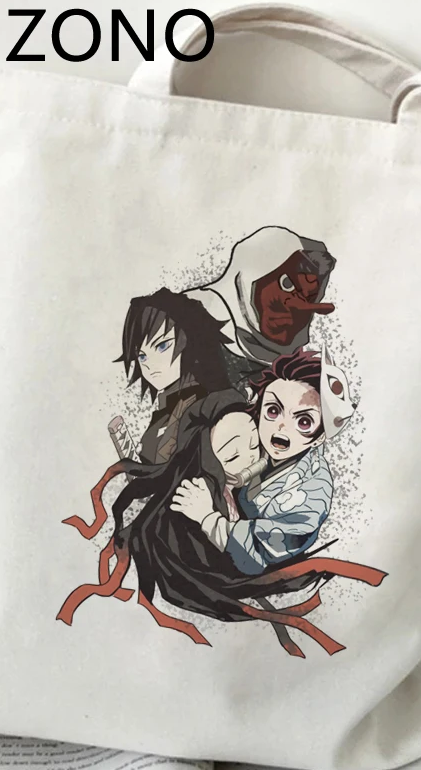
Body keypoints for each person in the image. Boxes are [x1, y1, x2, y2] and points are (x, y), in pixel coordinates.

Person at [57, 389, 385, 657]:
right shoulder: (205, 494)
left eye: (254, 444)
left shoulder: (295, 479)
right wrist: (206, 515)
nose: (252, 457)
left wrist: (212, 515)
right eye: (232, 455)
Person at [172, 346, 356, 575]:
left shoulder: (313, 491)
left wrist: (207, 517)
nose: (281, 427)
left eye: (304, 422)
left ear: (319, 437)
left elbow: (257, 554)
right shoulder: (255, 434)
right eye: (273, 411)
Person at [186, 226, 336, 380]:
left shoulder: (290, 376)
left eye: (309, 298)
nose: (296, 306)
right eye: (287, 284)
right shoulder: (185, 318)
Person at [116, 287, 231, 464]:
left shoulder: (209, 404)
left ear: (191, 339)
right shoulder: (167, 408)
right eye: (142, 356)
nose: (150, 365)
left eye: (162, 346)